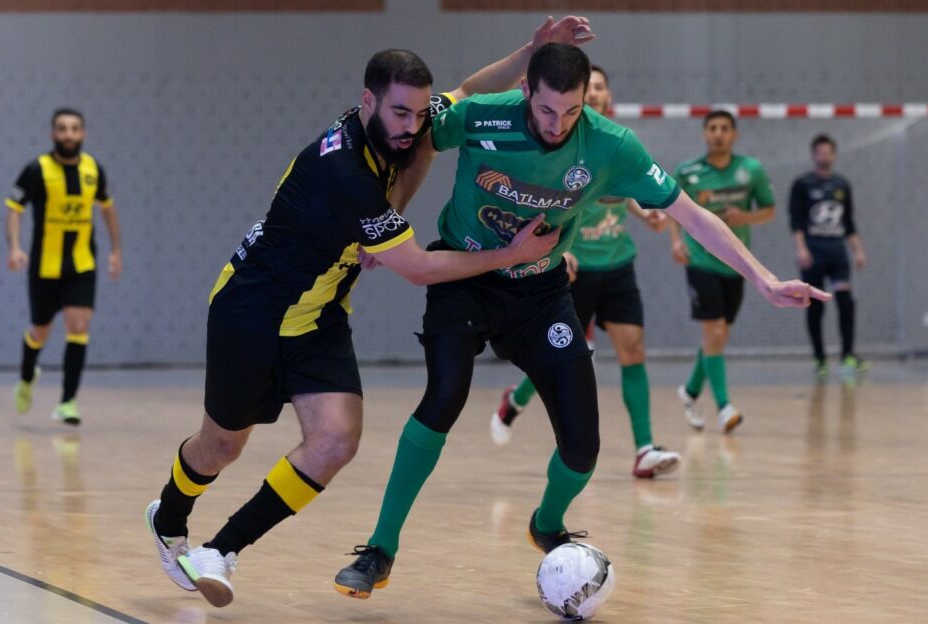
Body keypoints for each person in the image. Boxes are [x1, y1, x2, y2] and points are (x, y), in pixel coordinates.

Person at [333, 44, 829, 599]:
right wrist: (388, 215)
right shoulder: (482, 116)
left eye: (571, 113)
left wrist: (763, 279)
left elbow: (693, 214)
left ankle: (546, 524)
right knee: (444, 395)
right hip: (464, 277)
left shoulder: (611, 145)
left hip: (542, 291)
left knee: (582, 445)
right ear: (527, 92)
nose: (558, 125)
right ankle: (379, 549)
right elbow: (412, 137)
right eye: (547, 112)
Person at [145, 17, 594, 609]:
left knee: (335, 440)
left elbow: (467, 91)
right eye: (401, 115)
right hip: (251, 313)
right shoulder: (343, 172)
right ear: (367, 102)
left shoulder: (399, 128)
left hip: (319, 313)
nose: (414, 128)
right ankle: (169, 514)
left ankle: (219, 551)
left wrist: (530, 52)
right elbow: (417, 268)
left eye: (418, 114)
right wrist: (512, 255)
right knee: (222, 446)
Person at [488, 64, 680, 480]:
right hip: (574, 267)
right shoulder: (559, 142)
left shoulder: (617, 144)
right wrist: (561, 249)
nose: (593, 94)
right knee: (567, 357)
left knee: (633, 349)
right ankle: (516, 399)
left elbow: (623, 192)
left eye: (599, 88)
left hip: (618, 263)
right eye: (587, 87)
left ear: (607, 97)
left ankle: (644, 447)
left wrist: (645, 214)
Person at [6, 108, 122, 426]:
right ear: (52, 134)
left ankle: (68, 402)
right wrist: (15, 247)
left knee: (79, 327)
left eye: (74, 128)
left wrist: (115, 251)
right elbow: (14, 209)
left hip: (81, 264)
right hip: (45, 268)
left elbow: (108, 210)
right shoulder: (37, 169)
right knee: (40, 332)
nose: (68, 134)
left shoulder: (93, 169)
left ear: (82, 133)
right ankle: (28, 376)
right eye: (62, 128)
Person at [669, 110, 776, 434]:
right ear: (705, 134)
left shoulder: (750, 170)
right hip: (701, 261)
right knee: (714, 333)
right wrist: (676, 242)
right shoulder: (688, 171)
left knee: (718, 337)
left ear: (734, 135)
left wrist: (743, 218)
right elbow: (672, 207)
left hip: (736, 263)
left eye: (724, 128)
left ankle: (688, 392)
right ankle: (724, 406)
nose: (718, 134)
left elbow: (768, 210)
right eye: (712, 128)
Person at [790, 134, 869, 377]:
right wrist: (801, 249)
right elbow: (796, 222)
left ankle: (847, 355)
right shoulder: (802, 184)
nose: (824, 156)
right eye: (820, 151)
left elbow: (848, 223)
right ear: (814, 155)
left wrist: (858, 250)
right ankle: (820, 358)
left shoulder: (841, 185)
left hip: (837, 253)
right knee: (815, 306)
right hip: (814, 253)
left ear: (834, 155)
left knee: (845, 302)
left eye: (828, 151)